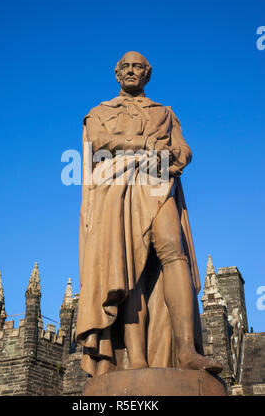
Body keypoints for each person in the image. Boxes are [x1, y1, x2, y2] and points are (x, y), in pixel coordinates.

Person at [76, 51, 222, 377]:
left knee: (175, 254)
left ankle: (186, 350)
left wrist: (168, 153)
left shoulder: (166, 114)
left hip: (157, 184)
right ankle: (137, 359)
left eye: (137, 67)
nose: (131, 71)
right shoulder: (99, 112)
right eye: (125, 67)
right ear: (117, 74)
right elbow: (98, 142)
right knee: (129, 271)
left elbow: (184, 152)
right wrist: (143, 144)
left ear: (147, 74)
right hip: (116, 194)